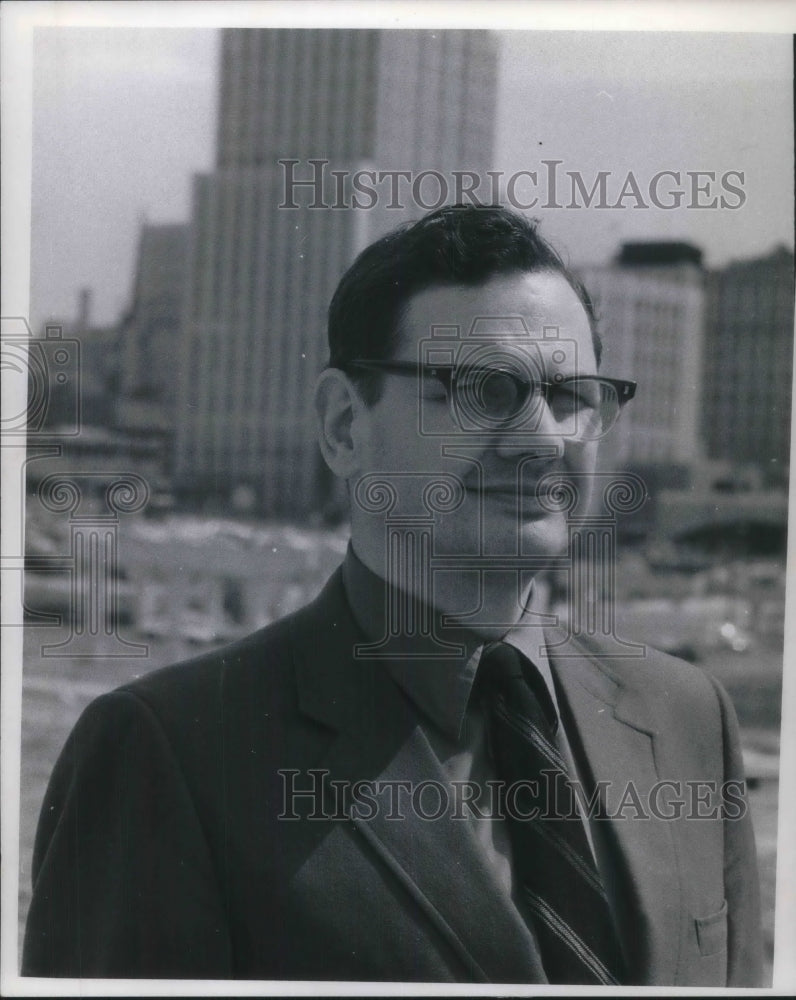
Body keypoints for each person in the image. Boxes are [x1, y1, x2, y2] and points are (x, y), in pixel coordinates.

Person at [23, 205, 762, 985]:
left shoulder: (689, 720)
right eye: (485, 390)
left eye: (573, 395)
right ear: (345, 425)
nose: (543, 437)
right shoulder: (167, 754)